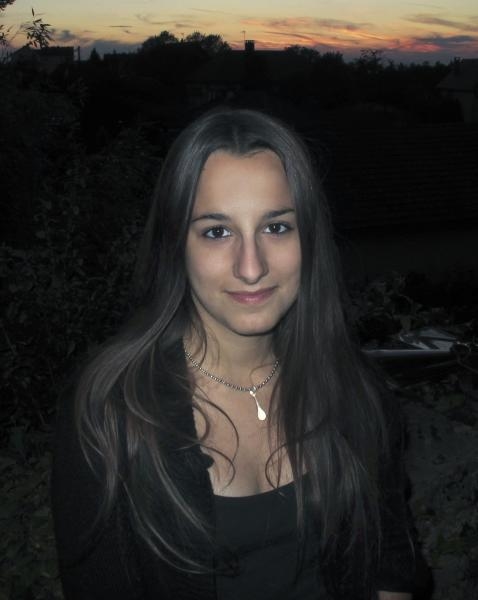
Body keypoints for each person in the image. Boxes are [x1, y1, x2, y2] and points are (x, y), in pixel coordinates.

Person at [52, 108, 417, 600]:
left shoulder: (356, 391)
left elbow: (391, 567)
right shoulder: (110, 411)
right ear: (175, 245)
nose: (251, 267)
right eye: (217, 231)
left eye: (276, 227)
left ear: (309, 238)